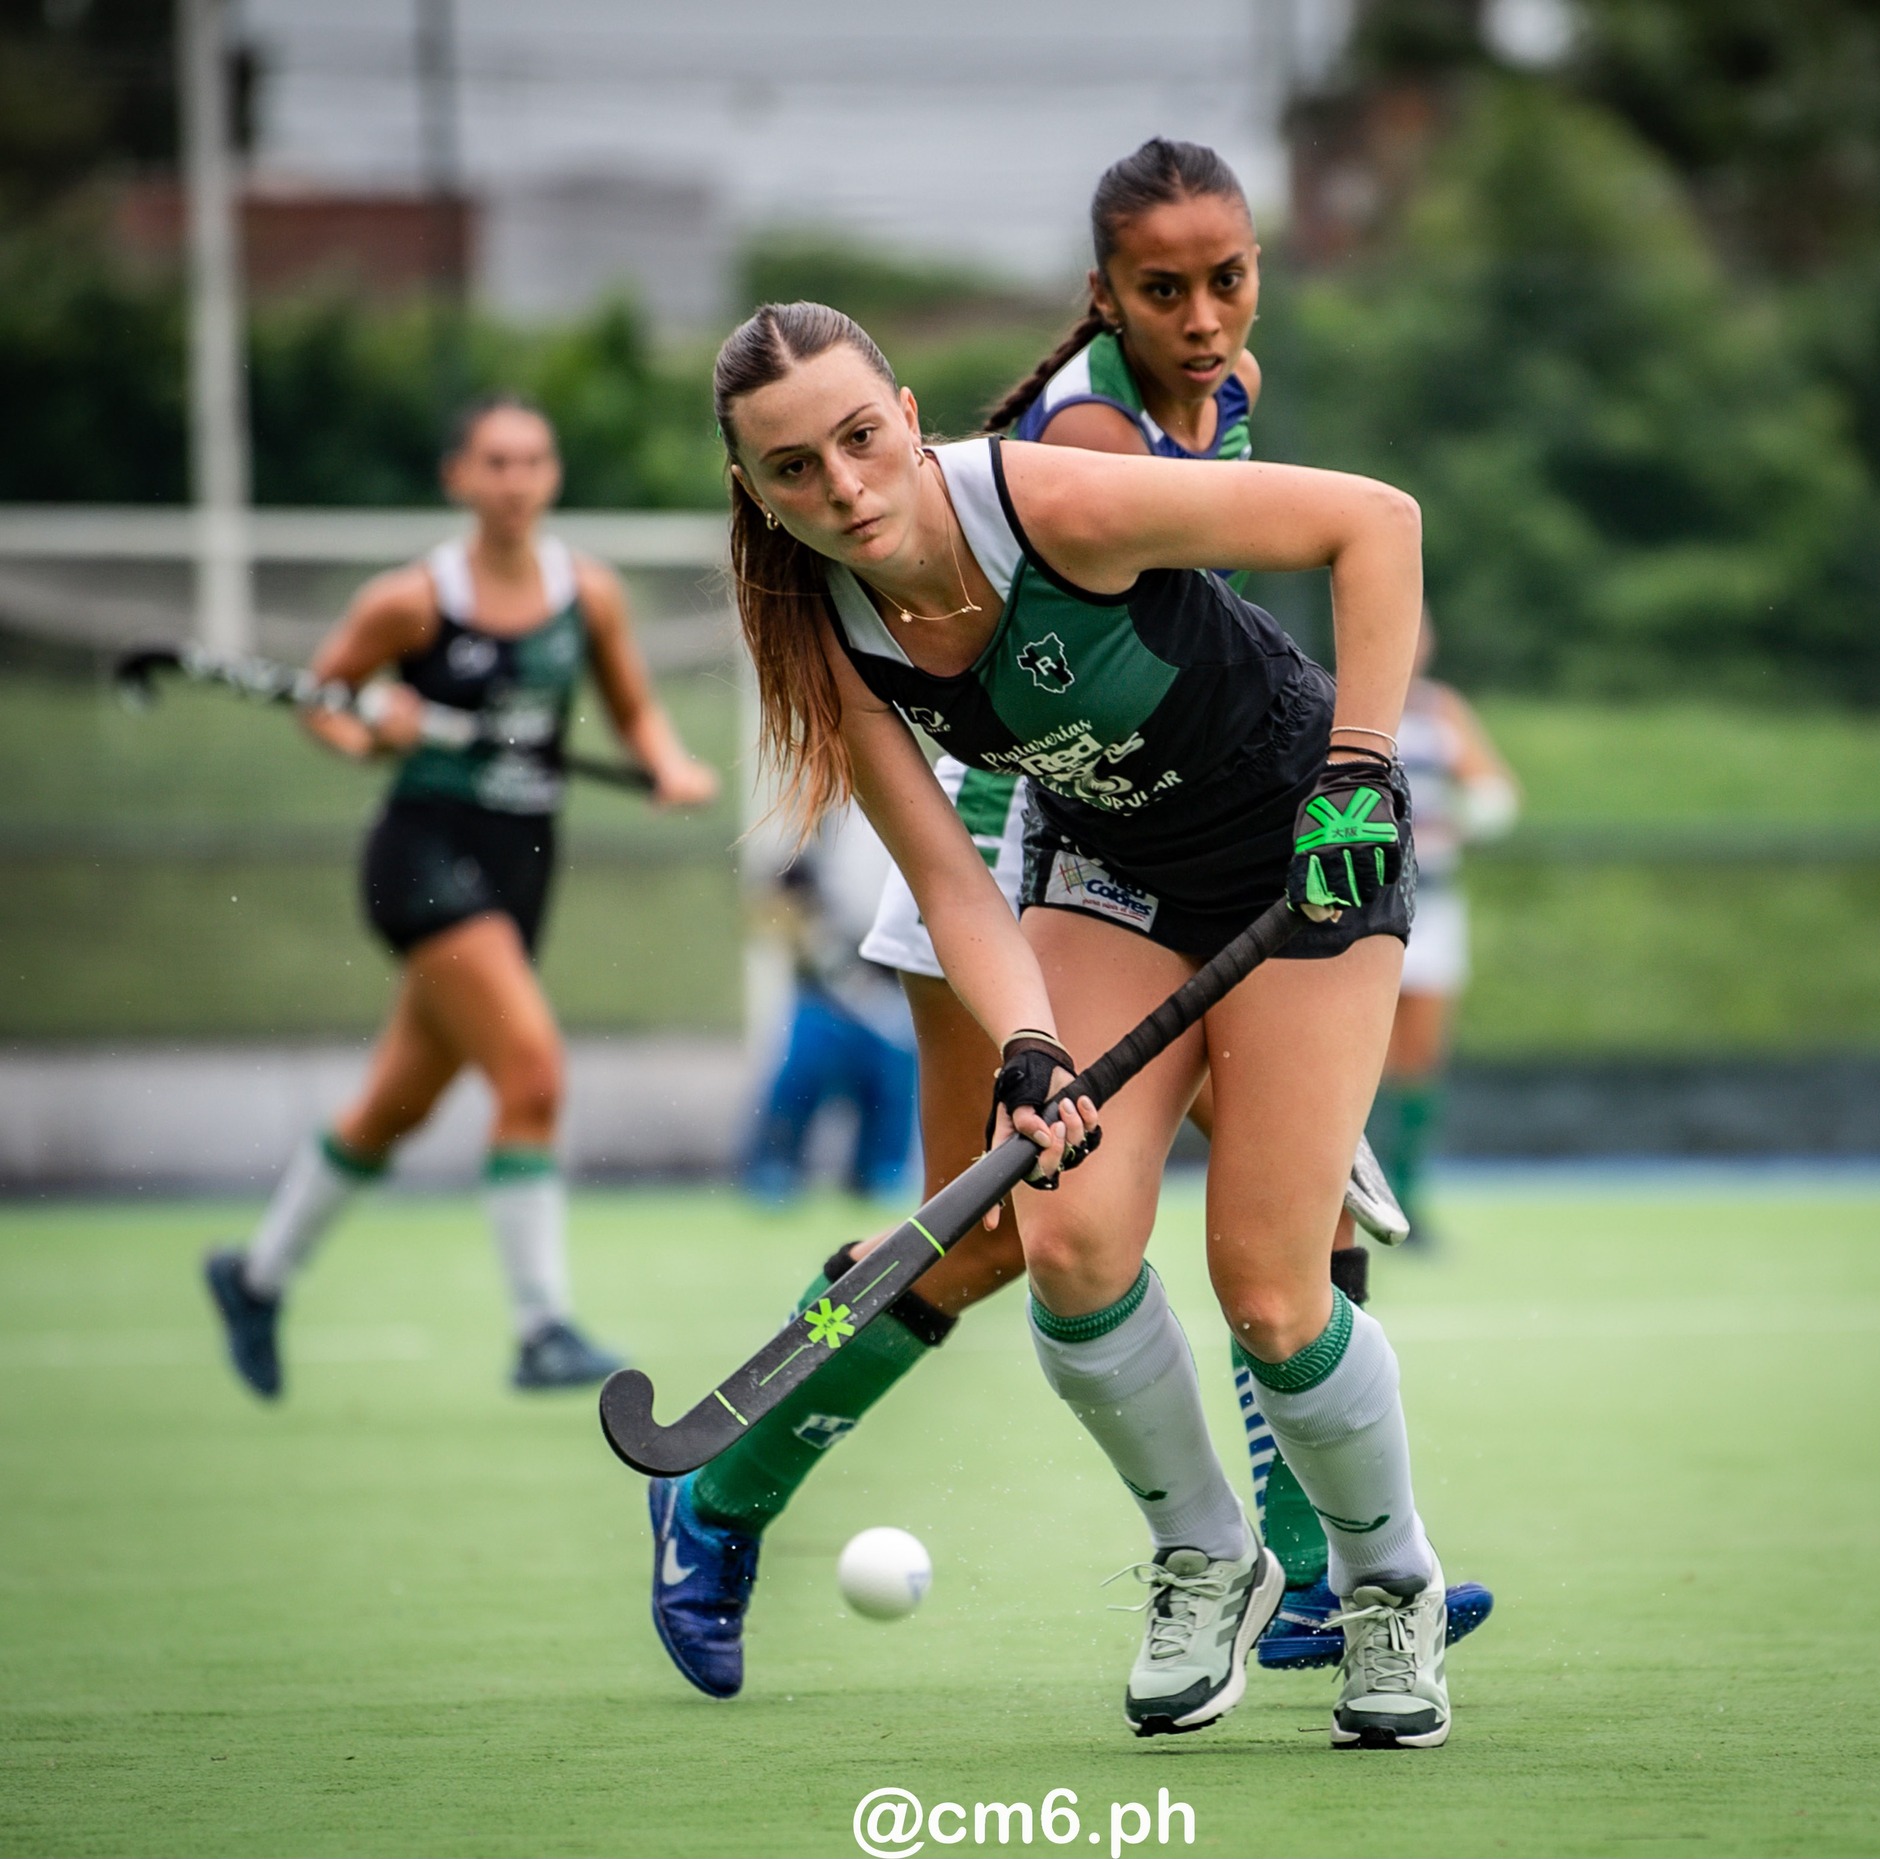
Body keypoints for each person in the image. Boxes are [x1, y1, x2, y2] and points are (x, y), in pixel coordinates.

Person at [649, 141, 1487, 1708]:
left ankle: (1380, 1587)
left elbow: (1378, 522)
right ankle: (1204, 1556)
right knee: (1052, 1236)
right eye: (792, 470)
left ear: (906, 416)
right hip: (1084, 861)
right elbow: (956, 873)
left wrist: (1363, 778)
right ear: (752, 490)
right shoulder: (819, 619)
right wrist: (1030, 1041)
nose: (843, 491)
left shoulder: (1065, 488)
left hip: (1298, 840)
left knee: (1273, 1270)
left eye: (857, 442)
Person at [202, 397, 720, 1399]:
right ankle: (541, 1328)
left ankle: (255, 1276)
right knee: (530, 1069)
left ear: (552, 475)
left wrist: (666, 764)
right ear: (458, 479)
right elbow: (327, 704)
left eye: (533, 460)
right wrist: (375, 731)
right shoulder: (412, 601)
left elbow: (631, 706)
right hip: (422, 856)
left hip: (524, 862)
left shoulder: (589, 592)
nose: (515, 480)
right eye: (495, 462)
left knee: (394, 1105)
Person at [1364, 613, 1519, 1245]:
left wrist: (1457, 820)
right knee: (1354, 1059)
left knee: (1419, 1058)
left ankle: (1410, 1199)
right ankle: (1348, 1198)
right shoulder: (1334, 699)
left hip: (1434, 911)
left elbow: (1496, 796)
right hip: (1361, 915)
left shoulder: (1442, 710)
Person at [741, 804, 919, 1200]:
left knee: (891, 1085)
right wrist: (819, 950)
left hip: (891, 988)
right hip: (822, 992)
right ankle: (774, 1172)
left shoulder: (919, 813)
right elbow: (779, 894)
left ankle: (881, 1174)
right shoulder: (821, 818)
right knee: (799, 1079)